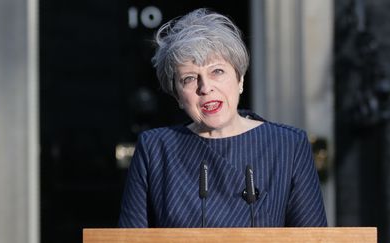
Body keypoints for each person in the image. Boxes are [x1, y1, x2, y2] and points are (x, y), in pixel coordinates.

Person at [118, 8, 327, 227]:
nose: (205, 87)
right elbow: (130, 238)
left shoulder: (289, 145)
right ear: (178, 96)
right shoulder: (155, 149)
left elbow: (314, 238)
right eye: (189, 78)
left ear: (240, 80)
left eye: (217, 71)